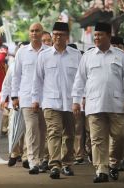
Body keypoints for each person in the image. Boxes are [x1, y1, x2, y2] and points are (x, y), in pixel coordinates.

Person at [71, 22, 124, 183]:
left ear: (108, 36)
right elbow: (79, 80)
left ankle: (114, 163)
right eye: (95, 35)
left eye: (100, 35)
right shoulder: (88, 56)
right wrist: (76, 101)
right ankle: (101, 170)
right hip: (94, 104)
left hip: (116, 104)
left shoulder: (120, 56)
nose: (97, 38)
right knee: (97, 139)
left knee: (120, 136)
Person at [32, 22, 82, 179]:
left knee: (70, 134)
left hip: (71, 102)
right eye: (55, 34)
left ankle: (67, 164)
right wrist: (35, 99)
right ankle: (54, 165)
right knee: (54, 132)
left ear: (67, 37)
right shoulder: (44, 56)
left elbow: (81, 80)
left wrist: (79, 100)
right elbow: (37, 80)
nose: (57, 37)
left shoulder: (76, 55)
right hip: (50, 102)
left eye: (61, 34)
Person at [11, 23, 48, 174]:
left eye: (37, 31)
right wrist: (14, 96)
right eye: (32, 31)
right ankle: (33, 162)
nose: (34, 33)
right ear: (29, 33)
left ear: (42, 33)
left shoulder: (48, 52)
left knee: (43, 131)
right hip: (26, 98)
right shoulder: (22, 52)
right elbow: (16, 75)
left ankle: (40, 159)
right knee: (32, 129)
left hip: (46, 99)